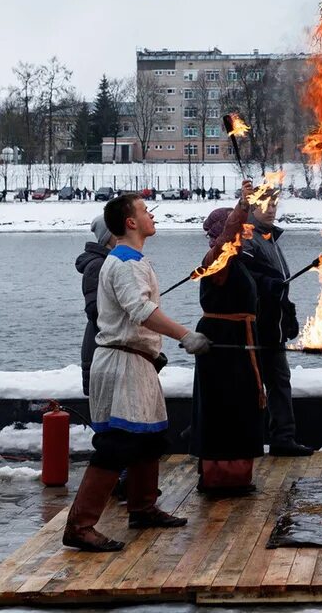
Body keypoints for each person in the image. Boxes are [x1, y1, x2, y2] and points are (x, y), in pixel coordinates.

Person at [62, 193, 211, 552]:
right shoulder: (125, 262)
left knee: (150, 439)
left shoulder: (133, 260)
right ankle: (80, 526)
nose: (151, 215)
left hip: (137, 361)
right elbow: (141, 310)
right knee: (117, 444)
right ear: (130, 222)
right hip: (121, 363)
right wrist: (185, 334)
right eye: (145, 211)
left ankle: (142, 508)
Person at [190, 182, 266, 494]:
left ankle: (236, 476)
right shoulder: (217, 259)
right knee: (224, 407)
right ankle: (219, 478)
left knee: (241, 405)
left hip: (237, 341)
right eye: (242, 227)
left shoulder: (235, 261)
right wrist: (243, 204)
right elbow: (229, 235)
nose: (247, 230)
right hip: (223, 346)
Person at [238, 187, 311, 457]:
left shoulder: (270, 239)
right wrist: (266, 284)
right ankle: (255, 440)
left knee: (280, 381)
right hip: (256, 327)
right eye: (265, 206)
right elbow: (243, 273)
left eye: (274, 205)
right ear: (252, 208)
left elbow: (281, 286)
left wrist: (288, 314)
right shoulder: (247, 236)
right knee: (258, 384)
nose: (271, 210)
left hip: (273, 326)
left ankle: (283, 438)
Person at [76, 214, 116, 397]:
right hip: (98, 349)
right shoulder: (98, 265)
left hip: (103, 347)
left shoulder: (109, 262)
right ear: (110, 236)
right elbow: (94, 310)